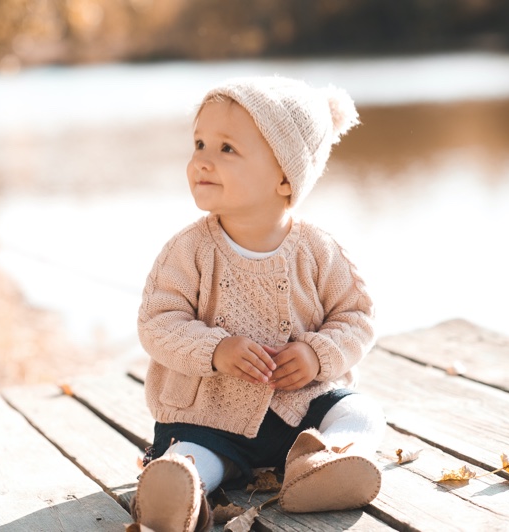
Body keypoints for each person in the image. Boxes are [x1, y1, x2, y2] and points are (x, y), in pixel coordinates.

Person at [132, 75, 385, 531]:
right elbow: (157, 323)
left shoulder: (318, 250)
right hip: (208, 414)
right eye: (200, 143)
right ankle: (180, 487)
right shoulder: (188, 251)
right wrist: (216, 349)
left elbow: (357, 317)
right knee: (194, 453)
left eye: (226, 149)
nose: (202, 161)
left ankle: (326, 462)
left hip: (300, 409)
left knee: (359, 411)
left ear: (285, 178)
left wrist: (316, 354)